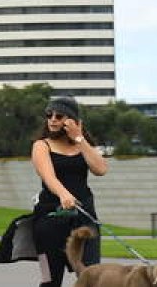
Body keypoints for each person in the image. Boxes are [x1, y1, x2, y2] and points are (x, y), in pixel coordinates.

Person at [31, 96, 108, 287]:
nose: (53, 119)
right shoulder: (41, 145)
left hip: (84, 217)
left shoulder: (82, 145)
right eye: (49, 115)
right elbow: (49, 177)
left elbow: (101, 169)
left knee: (91, 277)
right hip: (50, 218)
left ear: (73, 121)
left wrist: (79, 138)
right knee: (50, 280)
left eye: (59, 116)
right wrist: (64, 194)